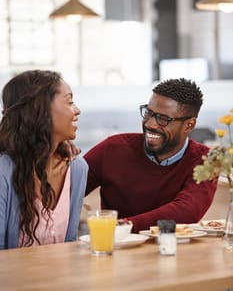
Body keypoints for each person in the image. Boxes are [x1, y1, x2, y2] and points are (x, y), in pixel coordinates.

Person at [84, 78, 217, 233]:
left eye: (163, 119)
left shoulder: (206, 160)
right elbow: (66, 190)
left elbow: (186, 210)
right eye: (149, 113)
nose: (150, 124)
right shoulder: (113, 149)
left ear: (189, 125)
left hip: (172, 252)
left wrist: (123, 226)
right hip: (116, 251)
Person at [0, 70, 88, 249]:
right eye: (69, 101)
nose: (77, 110)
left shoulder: (77, 168)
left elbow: (68, 245)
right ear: (40, 110)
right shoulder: (4, 171)